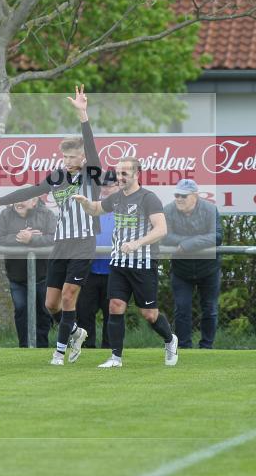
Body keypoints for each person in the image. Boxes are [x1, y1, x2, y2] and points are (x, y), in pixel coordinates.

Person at [0, 86, 101, 366]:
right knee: (51, 304)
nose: (67, 162)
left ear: (83, 159)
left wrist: (82, 114)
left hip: (83, 242)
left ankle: (59, 353)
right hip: (61, 243)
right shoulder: (57, 177)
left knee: (68, 298)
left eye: (72, 157)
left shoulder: (92, 174)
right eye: (64, 158)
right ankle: (76, 332)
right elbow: (28, 192)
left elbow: (90, 146)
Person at [74, 157, 178, 368]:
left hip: (143, 264)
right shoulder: (116, 198)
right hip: (119, 263)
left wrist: (137, 243)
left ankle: (170, 340)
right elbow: (96, 209)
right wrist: (86, 204)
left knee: (149, 314)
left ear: (136, 174)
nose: (119, 178)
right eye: (118, 173)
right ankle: (116, 358)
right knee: (115, 306)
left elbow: (161, 230)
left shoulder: (149, 198)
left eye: (124, 174)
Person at [162, 178, 222, 349]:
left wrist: (187, 244)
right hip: (181, 270)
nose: (179, 199)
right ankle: (184, 347)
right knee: (182, 310)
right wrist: (195, 241)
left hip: (209, 268)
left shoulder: (210, 209)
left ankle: (206, 348)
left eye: (184, 196)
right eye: (177, 195)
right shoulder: (168, 210)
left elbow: (217, 236)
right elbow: (165, 235)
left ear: (195, 196)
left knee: (210, 310)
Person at [0, 196, 56, 347]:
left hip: (43, 275)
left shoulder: (47, 215)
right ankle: (24, 346)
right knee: (21, 309)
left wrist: (32, 240)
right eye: (18, 198)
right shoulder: (5, 215)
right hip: (16, 276)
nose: (19, 201)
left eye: (24, 199)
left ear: (34, 202)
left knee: (43, 311)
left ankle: (42, 346)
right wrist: (18, 237)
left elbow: (55, 238)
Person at [77, 171, 117, 349]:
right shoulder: (92, 207)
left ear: (119, 186)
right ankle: (86, 349)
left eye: (110, 185)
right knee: (85, 313)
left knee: (112, 314)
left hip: (114, 271)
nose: (106, 189)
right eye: (103, 185)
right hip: (90, 270)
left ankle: (110, 351)